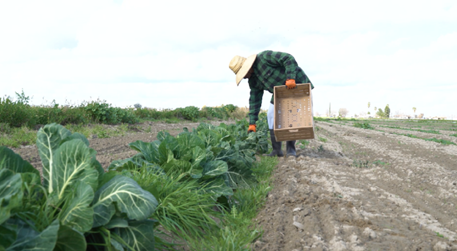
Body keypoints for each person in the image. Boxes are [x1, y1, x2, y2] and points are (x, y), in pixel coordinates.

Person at [228, 50, 314, 157]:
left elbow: (288, 58)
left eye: (243, 74)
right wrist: (252, 123)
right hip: (280, 92)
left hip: (297, 86)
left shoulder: (265, 58)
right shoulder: (253, 80)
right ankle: (277, 150)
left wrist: (290, 77)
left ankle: (291, 149)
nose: (244, 77)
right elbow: (255, 99)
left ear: (248, 67)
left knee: (293, 116)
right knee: (270, 115)